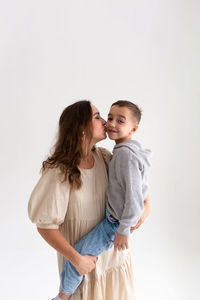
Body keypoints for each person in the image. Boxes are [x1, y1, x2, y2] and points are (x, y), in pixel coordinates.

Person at [28, 100, 151, 300]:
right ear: (81, 128)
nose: (105, 122)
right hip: (83, 268)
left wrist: (139, 217)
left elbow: (141, 197)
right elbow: (45, 226)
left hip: (114, 263)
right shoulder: (59, 171)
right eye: (97, 117)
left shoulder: (105, 158)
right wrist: (77, 260)